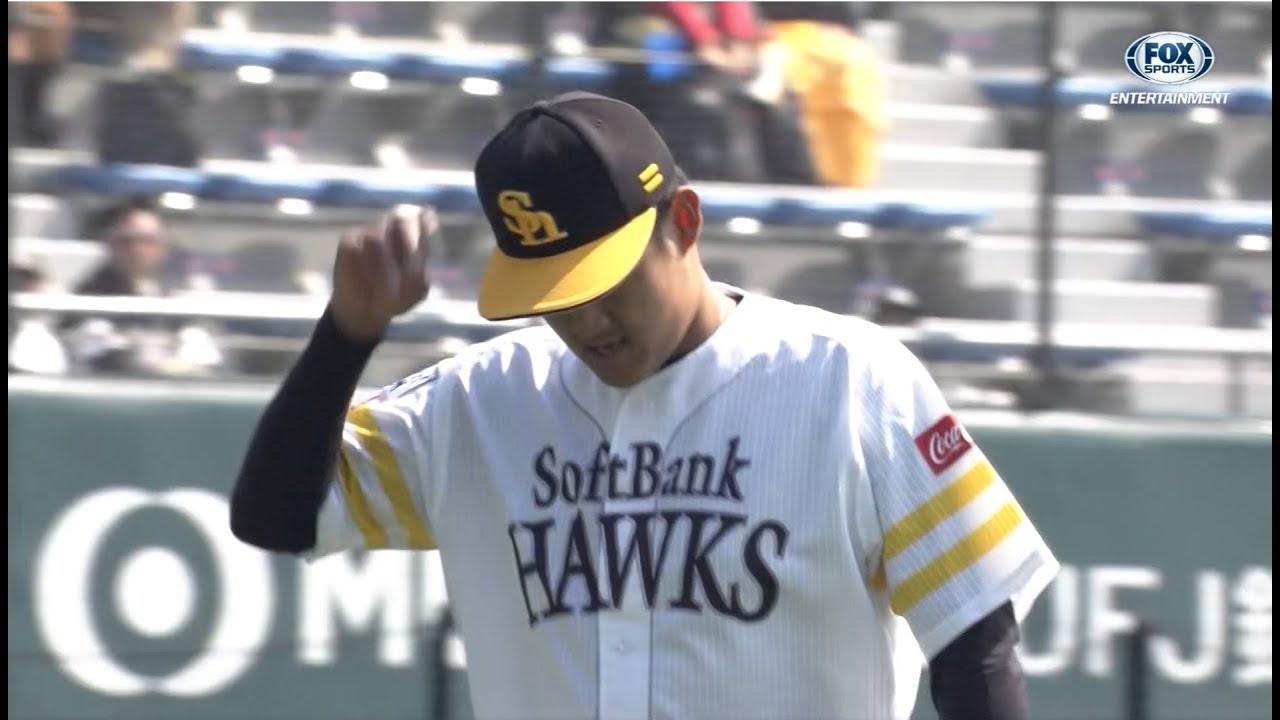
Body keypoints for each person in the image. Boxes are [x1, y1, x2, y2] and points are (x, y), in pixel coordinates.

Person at [231, 91, 1058, 720]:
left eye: (607, 282)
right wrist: (346, 336)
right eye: (555, 296)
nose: (587, 321)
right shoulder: (475, 404)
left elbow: (975, 647)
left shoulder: (849, 381)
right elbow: (277, 519)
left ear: (684, 222)